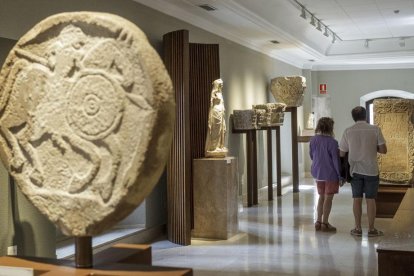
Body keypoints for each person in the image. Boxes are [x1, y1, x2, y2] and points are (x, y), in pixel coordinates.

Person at [339, 106, 387, 237]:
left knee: (357, 199)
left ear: (353, 117)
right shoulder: (375, 129)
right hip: (371, 169)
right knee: (371, 199)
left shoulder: (348, 131)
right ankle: (372, 229)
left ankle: (358, 228)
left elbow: (342, 153)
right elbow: (384, 150)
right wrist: (372, 147)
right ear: (365, 116)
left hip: (355, 170)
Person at [310, 117, 341, 232]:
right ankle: (325, 223)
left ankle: (318, 221)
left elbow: (312, 155)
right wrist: (340, 175)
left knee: (321, 197)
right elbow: (335, 161)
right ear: (330, 127)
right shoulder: (333, 142)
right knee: (329, 198)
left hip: (318, 173)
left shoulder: (313, 140)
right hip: (330, 174)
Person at [205, 79, 227, 157]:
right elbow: (211, 106)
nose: (222, 86)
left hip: (221, 113)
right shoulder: (214, 93)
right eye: (220, 84)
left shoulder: (220, 93)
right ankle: (213, 147)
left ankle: (219, 146)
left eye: (222, 84)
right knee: (216, 130)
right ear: (217, 85)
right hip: (216, 112)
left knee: (223, 129)